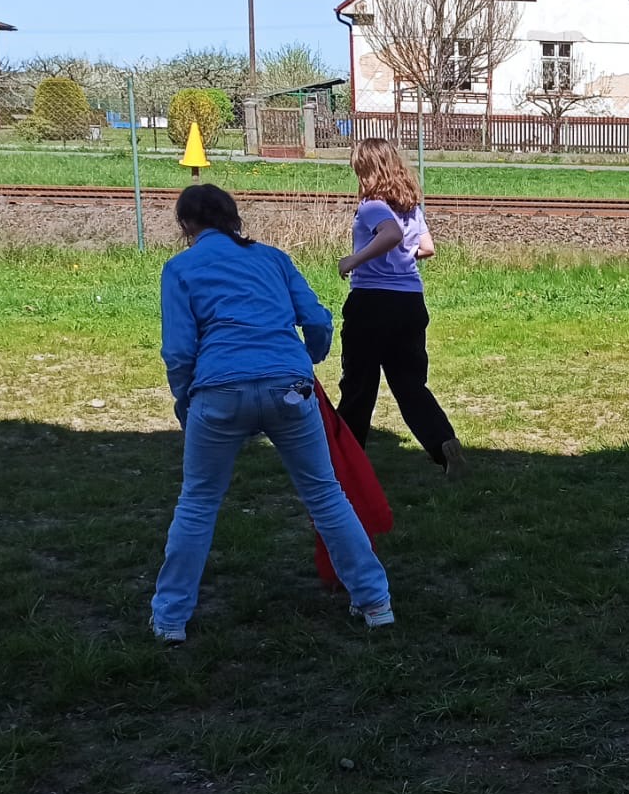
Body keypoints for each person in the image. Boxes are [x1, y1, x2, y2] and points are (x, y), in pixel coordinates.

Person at [151, 184, 393, 644]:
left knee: (198, 502)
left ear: (185, 225)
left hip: (217, 393)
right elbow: (317, 320)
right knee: (326, 496)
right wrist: (306, 360)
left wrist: (185, 402)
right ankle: (376, 603)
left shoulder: (180, 268)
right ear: (234, 218)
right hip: (290, 388)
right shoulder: (273, 259)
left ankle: (170, 619)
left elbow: (179, 351)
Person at [336, 137, 465, 475]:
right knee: (410, 384)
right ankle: (443, 443)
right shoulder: (411, 207)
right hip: (409, 302)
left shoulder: (372, 206)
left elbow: (391, 235)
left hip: (372, 302)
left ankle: (345, 460)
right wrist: (401, 257)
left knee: (358, 384)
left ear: (367, 171)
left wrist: (353, 260)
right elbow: (427, 248)